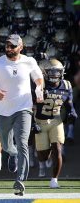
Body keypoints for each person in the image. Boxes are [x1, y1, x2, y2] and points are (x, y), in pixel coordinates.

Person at [0, 34, 44, 196]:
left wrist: (38, 89)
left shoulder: (29, 61)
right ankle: (12, 153)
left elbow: (39, 78)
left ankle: (20, 181)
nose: (9, 49)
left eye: (12, 46)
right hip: (2, 111)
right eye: (7, 46)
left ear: (21, 47)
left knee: (23, 142)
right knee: (6, 143)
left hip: (24, 108)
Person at [34, 59, 77, 188]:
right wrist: (31, 122)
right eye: (51, 72)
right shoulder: (38, 85)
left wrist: (71, 112)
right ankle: (43, 161)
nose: (55, 74)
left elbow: (69, 103)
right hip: (40, 121)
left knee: (58, 149)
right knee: (43, 155)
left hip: (56, 120)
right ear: (44, 72)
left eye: (58, 72)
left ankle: (54, 180)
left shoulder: (66, 85)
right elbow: (30, 105)